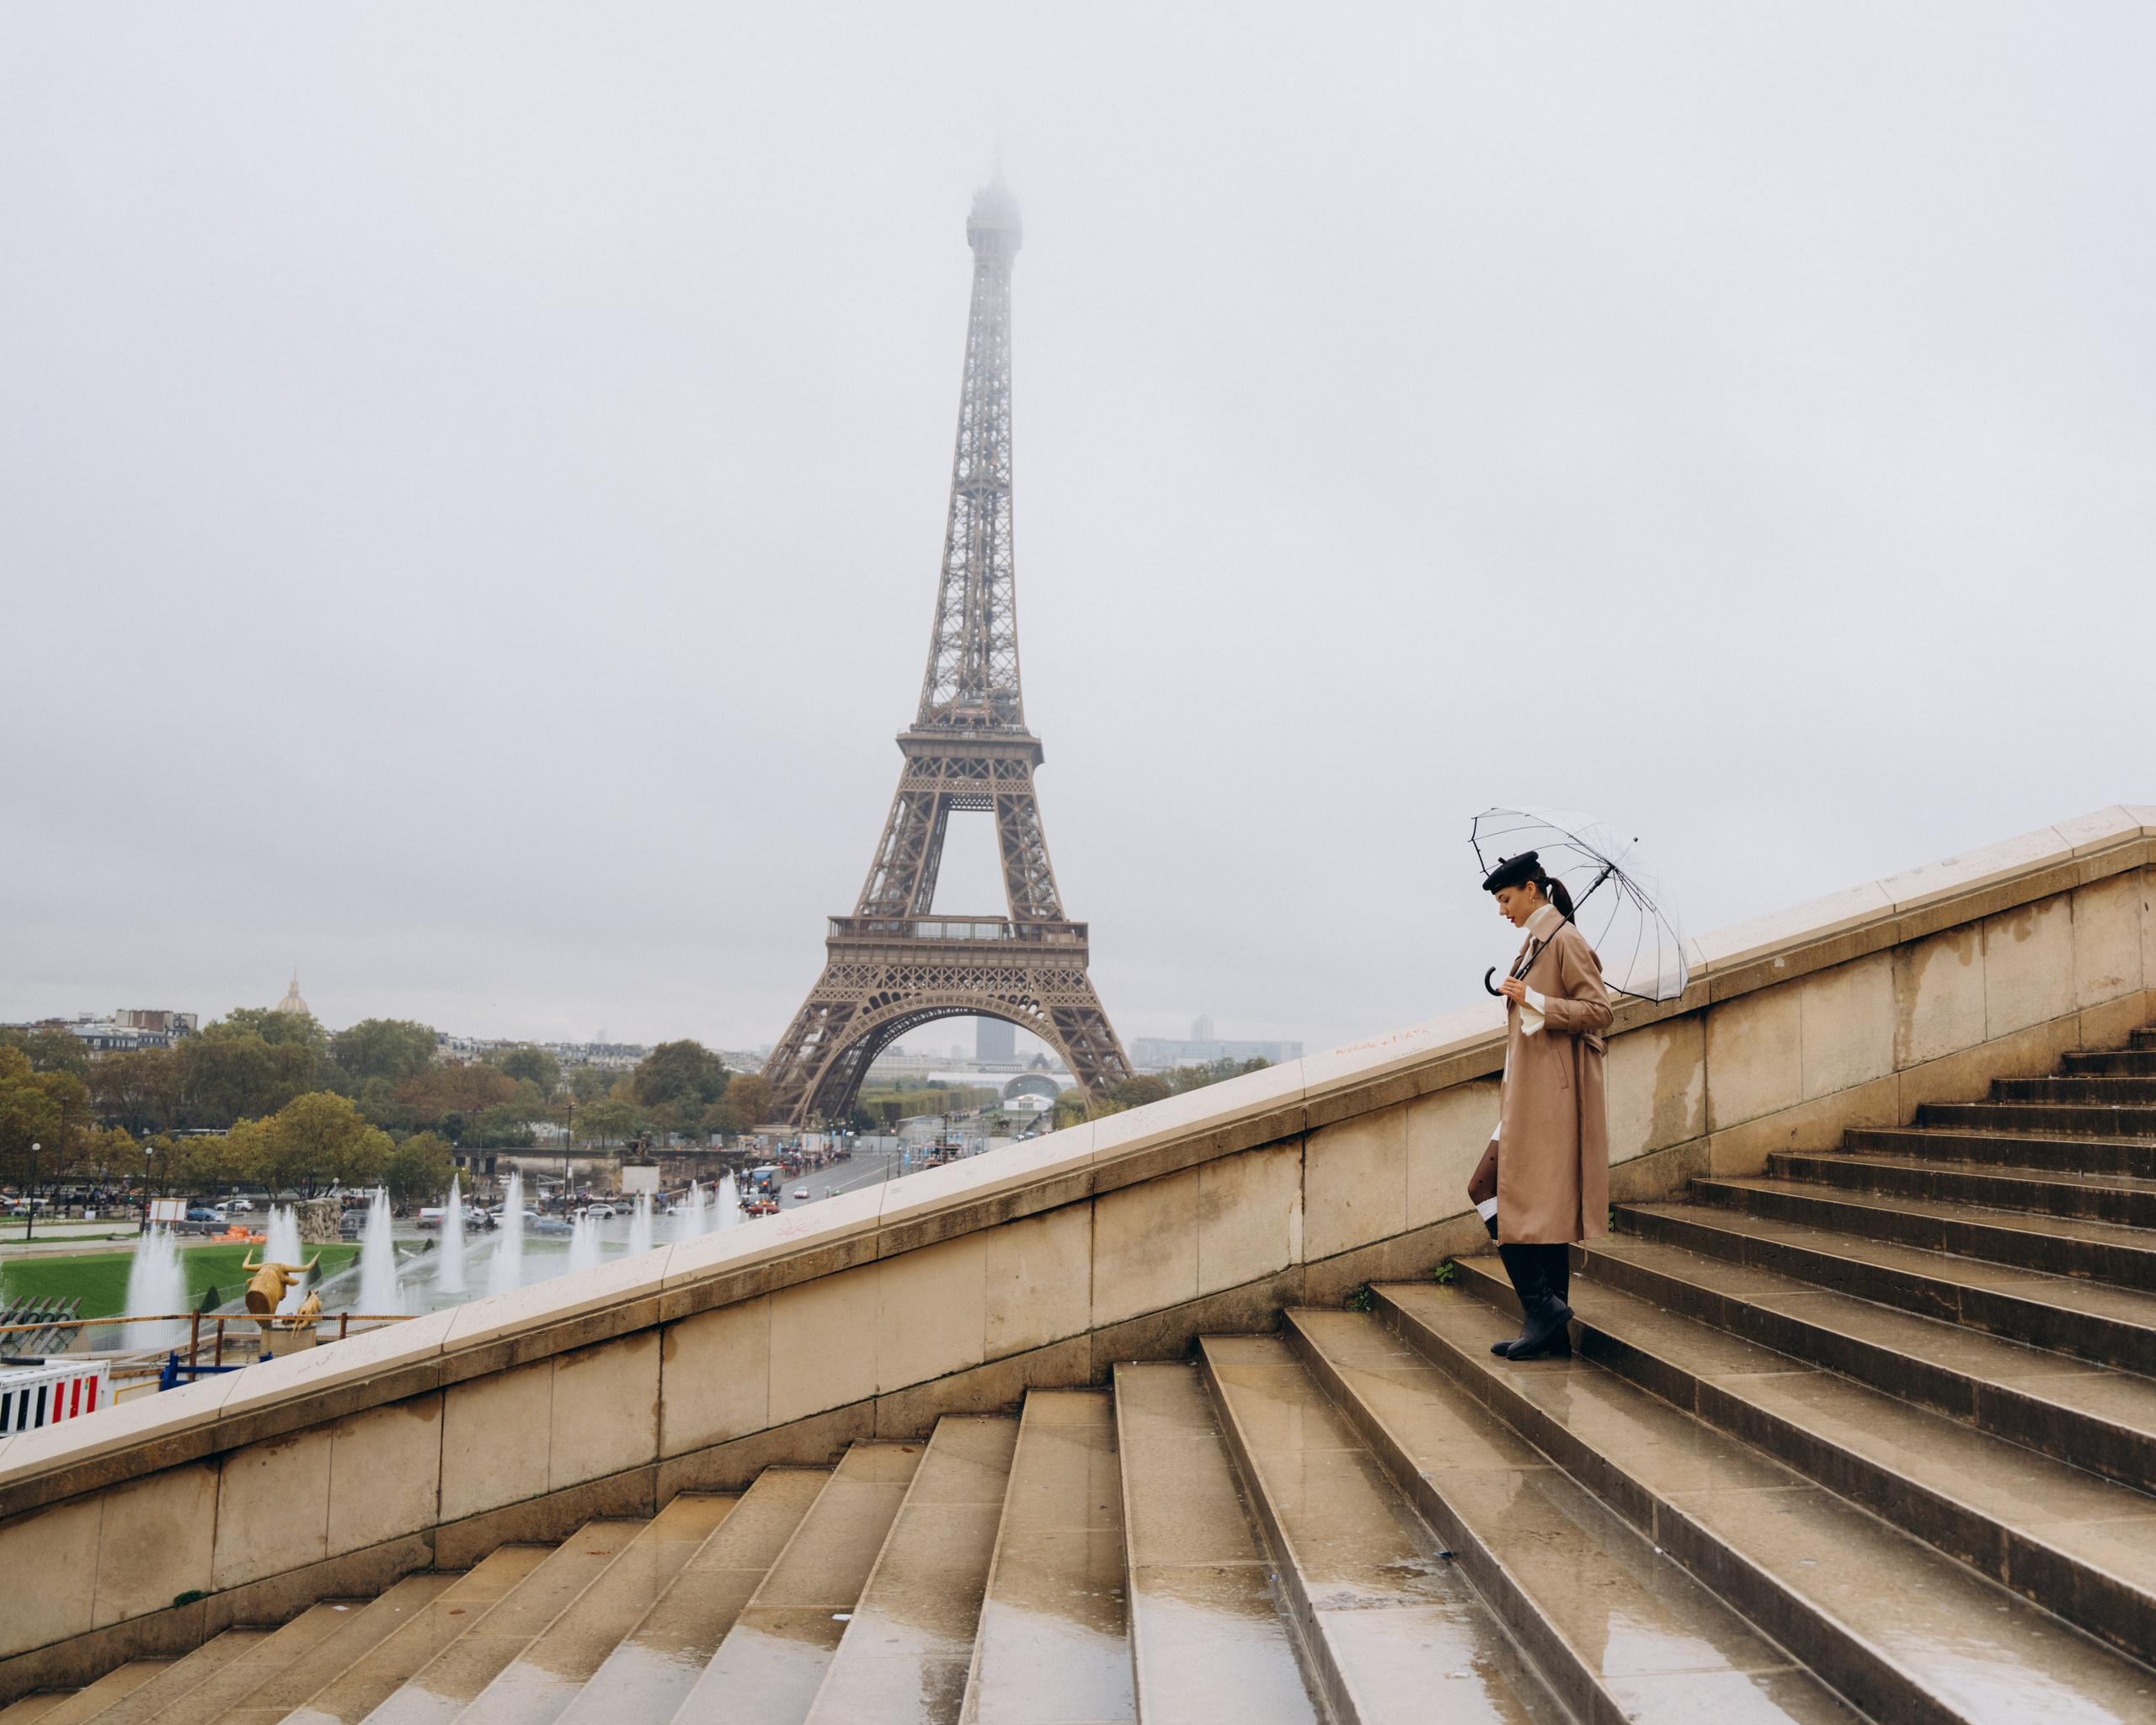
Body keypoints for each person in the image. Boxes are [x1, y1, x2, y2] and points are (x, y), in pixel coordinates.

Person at [1471, 850, 1613, 1360]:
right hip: (1526, 1095)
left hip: (1551, 1100)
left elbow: (1600, 1011)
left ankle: (1541, 1306)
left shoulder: (1565, 939)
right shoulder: (1537, 941)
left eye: (1506, 899)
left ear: (1532, 890)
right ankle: (1550, 1328)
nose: (1502, 910)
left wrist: (1537, 1000)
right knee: (1543, 1210)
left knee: (1484, 1187)